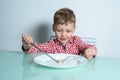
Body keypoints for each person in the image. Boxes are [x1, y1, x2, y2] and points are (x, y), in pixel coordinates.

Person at [22, 8, 97, 60]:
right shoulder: (52, 44)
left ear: (74, 29)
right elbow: (36, 48)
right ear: (53, 28)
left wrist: (91, 51)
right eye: (59, 30)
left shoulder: (76, 41)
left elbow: (90, 47)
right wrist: (27, 46)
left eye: (68, 31)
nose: (63, 34)